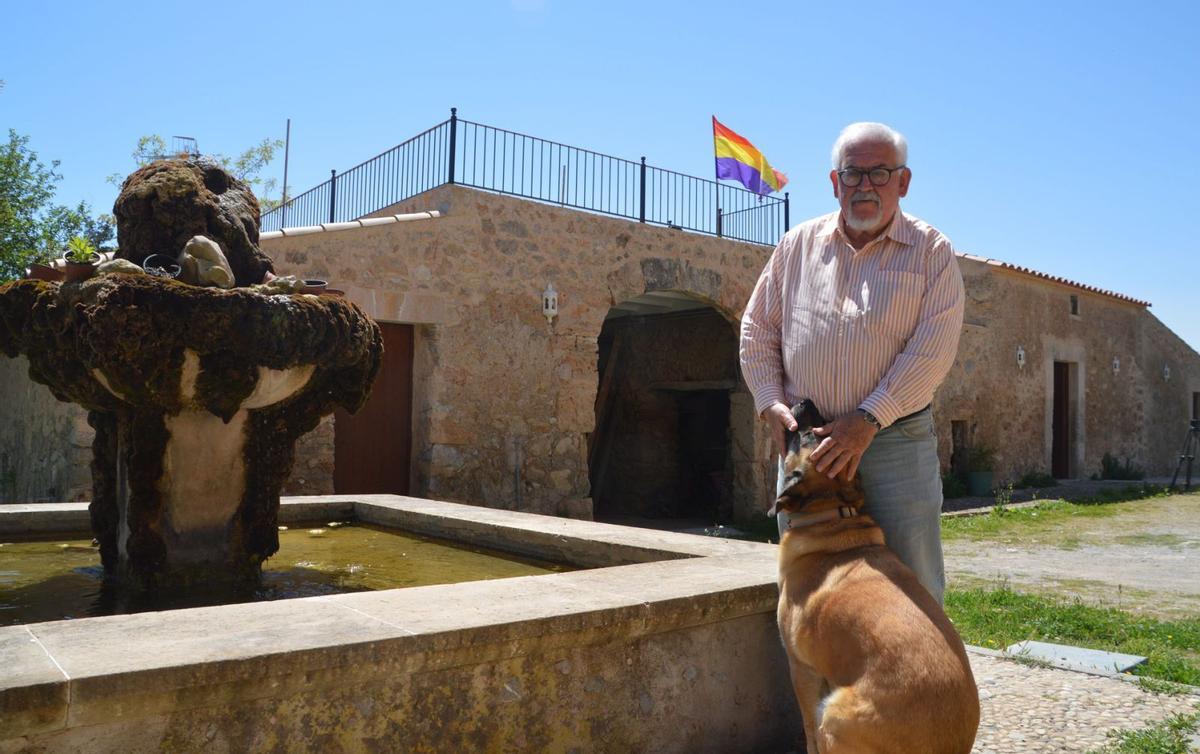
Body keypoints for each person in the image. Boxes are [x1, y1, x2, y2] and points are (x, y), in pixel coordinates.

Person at [738, 122, 964, 604]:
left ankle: (923, 681)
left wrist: (867, 420)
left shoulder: (933, 253)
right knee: (808, 585)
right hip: (808, 444)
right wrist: (769, 401)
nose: (865, 186)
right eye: (853, 174)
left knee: (913, 582)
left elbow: (932, 350)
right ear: (834, 182)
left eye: (879, 173)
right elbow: (757, 329)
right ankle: (822, 682)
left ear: (903, 182)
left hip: (894, 442)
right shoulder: (796, 246)